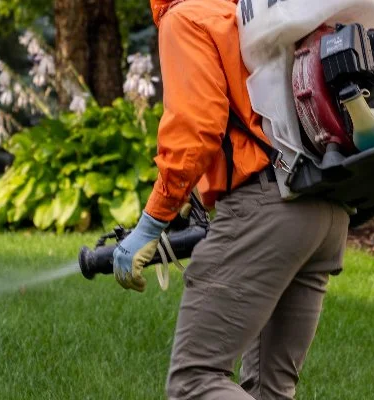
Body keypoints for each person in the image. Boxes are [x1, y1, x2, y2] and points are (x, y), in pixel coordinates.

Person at [112, 0, 350, 398]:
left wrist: (152, 222)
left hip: (269, 205)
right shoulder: (250, 11)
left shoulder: (187, 17)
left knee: (196, 381)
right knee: (272, 390)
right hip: (326, 209)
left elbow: (196, 130)